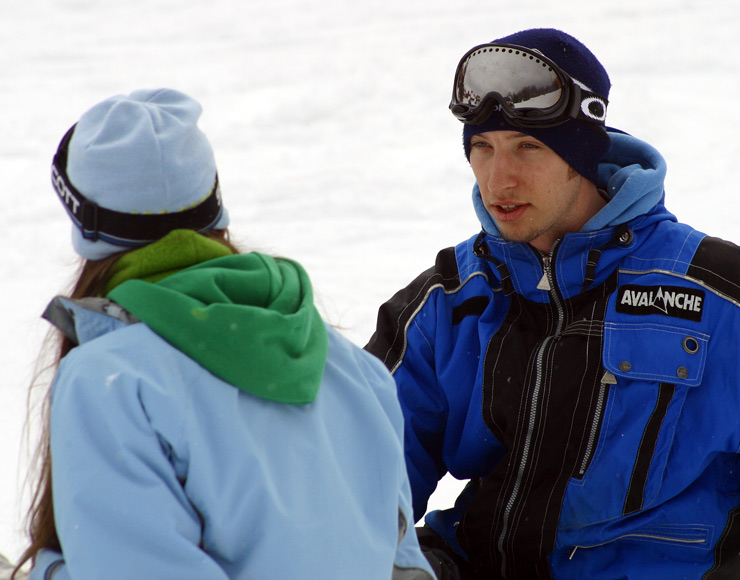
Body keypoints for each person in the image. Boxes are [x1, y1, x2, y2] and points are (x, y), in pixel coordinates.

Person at [14, 88, 435, 580]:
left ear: (85, 226)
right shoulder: (354, 369)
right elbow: (401, 566)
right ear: (214, 208)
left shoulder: (109, 381)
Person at [365, 27, 740, 580]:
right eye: (482, 148)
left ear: (583, 157)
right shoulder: (449, 301)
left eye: (528, 147)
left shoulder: (718, 296)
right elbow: (356, 476)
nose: (500, 178)